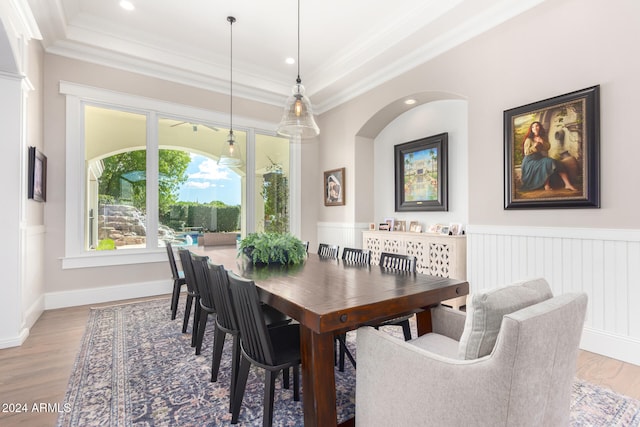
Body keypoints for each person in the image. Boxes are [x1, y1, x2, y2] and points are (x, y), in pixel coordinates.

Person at [519, 121, 577, 191]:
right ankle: (547, 185)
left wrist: (542, 141)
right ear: (531, 129)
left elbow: (547, 147)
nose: (535, 128)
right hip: (529, 161)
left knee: (557, 163)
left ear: (540, 127)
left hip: (538, 158)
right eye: (533, 127)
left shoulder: (542, 138)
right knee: (547, 162)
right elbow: (526, 152)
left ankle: (568, 184)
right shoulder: (529, 139)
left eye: (537, 126)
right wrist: (534, 146)